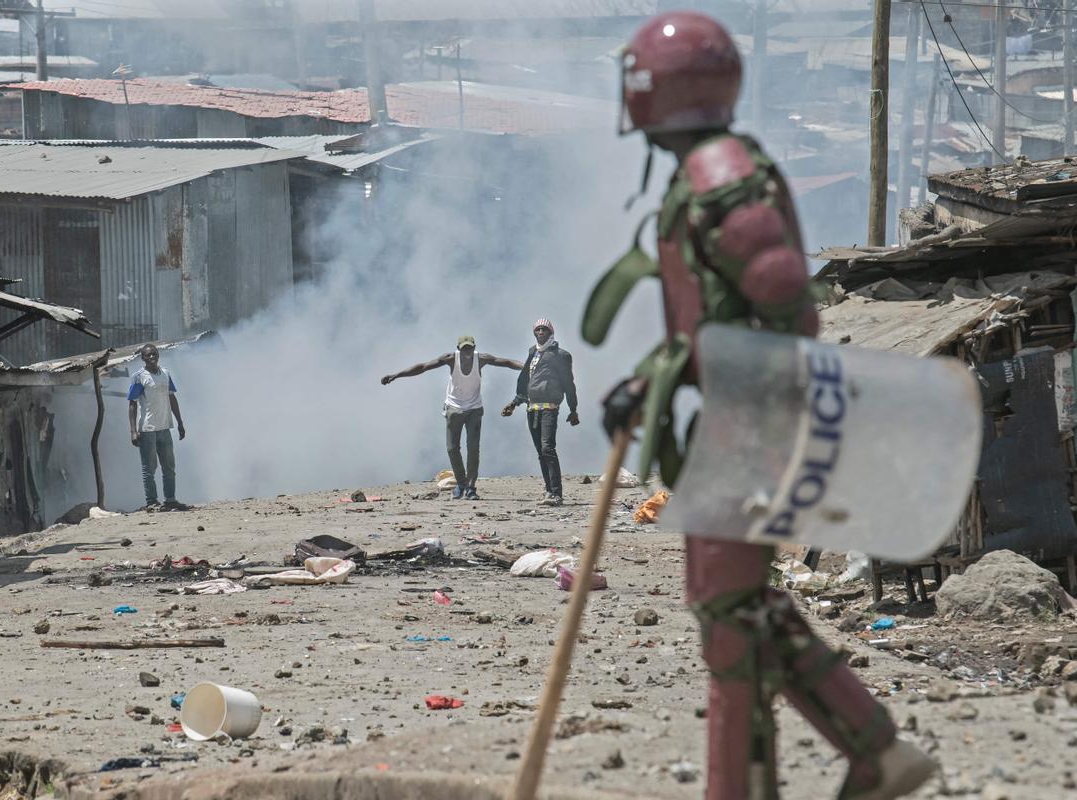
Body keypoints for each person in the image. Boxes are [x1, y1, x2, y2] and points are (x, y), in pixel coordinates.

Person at [583, 12, 936, 800]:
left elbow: (779, 295)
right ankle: (872, 751)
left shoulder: (719, 175)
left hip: (753, 416)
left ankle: (788, 774)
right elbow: (721, 315)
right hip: (747, 410)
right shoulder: (713, 168)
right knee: (738, 609)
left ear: (654, 91)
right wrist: (654, 382)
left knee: (725, 621)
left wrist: (729, 391)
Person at [381, 335, 522, 500]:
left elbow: (506, 362)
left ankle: (470, 487)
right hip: (454, 408)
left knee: (473, 449)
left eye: (470, 348)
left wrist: (529, 368)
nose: (467, 351)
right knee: (452, 448)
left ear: (474, 347)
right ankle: (461, 483)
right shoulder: (450, 359)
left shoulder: (481, 359)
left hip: (474, 409)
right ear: (458, 348)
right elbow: (423, 366)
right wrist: (396, 375)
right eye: (464, 348)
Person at [501, 319, 578, 505]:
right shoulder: (533, 353)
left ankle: (557, 493)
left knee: (547, 448)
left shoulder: (561, 355)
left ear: (551, 333)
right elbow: (527, 381)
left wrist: (573, 409)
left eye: (544, 329)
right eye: (538, 330)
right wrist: (514, 403)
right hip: (532, 408)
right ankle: (549, 491)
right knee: (540, 452)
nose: (541, 332)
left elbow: (569, 383)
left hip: (550, 409)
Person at [128, 343, 187, 511]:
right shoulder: (139, 377)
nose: (152, 357)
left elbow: (172, 398)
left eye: (154, 354)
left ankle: (170, 499)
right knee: (149, 468)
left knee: (169, 466)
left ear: (158, 355)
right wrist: (133, 431)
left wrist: (180, 422)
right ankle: (152, 502)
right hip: (147, 429)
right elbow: (132, 404)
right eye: (148, 355)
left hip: (165, 426)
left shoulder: (166, 374)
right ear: (143, 358)